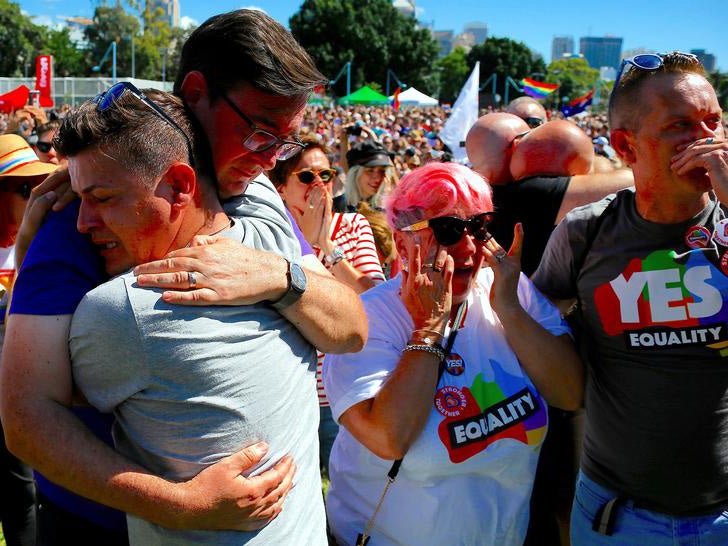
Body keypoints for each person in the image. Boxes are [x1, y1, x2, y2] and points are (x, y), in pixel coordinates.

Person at [1, 9, 366, 542]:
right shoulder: (79, 224)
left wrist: (276, 274)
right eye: (261, 130)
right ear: (197, 92)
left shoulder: (260, 198)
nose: (269, 160)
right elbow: (27, 417)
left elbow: (350, 329)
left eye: (284, 142)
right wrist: (176, 504)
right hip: (98, 524)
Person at [63, 89, 324, 544]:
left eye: (101, 197)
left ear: (181, 186)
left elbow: (31, 413)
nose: (81, 221)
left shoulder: (120, 311)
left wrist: (30, 250)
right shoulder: (271, 225)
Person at [323, 162, 583, 545]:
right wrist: (428, 328)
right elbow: (387, 437)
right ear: (402, 241)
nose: (468, 247)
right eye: (447, 231)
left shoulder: (508, 289)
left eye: (479, 227)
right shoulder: (366, 319)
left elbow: (570, 392)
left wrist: (509, 309)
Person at [532, 51, 728, 544]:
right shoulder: (584, 234)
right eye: (682, 126)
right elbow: (537, 331)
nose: (707, 139)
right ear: (625, 146)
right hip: (617, 516)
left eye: (714, 121)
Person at [269, 135, 385, 475]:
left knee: (349, 486)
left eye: (327, 174)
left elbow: (373, 301)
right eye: (306, 177)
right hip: (295, 390)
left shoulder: (352, 225)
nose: (319, 183)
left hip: (346, 388)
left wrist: (326, 247)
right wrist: (305, 247)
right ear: (280, 190)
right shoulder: (274, 238)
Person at [466, 112, 634, 276]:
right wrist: (588, 163)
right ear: (517, 145)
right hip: (533, 303)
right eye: (529, 134)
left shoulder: (482, 197)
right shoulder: (528, 194)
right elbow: (631, 182)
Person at [0, 134, 56, 546]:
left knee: (23, 497)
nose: (34, 198)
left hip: (13, 399)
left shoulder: (39, 245)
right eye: (25, 189)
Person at [336, 139, 396, 212]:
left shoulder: (388, 212)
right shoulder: (335, 208)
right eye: (370, 171)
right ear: (355, 173)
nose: (377, 178)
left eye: (381, 171)